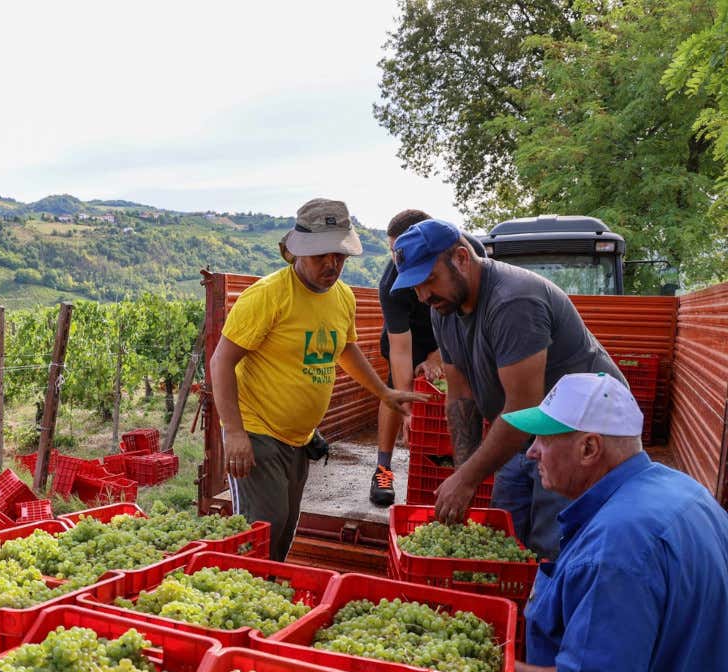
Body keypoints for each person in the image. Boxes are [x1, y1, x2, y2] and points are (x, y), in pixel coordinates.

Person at [501, 373, 728, 672]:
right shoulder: (683, 492)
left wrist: (494, 671)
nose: (532, 452)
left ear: (589, 448)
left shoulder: (618, 546)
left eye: (545, 439)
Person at [390, 219, 624, 559]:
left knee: (555, 549)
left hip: (580, 434)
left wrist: (468, 480)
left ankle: (549, 608)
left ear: (461, 258)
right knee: (505, 537)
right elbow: (460, 396)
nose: (424, 296)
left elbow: (523, 407)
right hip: (527, 434)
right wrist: (463, 473)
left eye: (429, 280)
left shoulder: (513, 301)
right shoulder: (444, 309)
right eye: (415, 288)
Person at [210, 197, 422, 561]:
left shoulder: (342, 297)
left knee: (287, 525)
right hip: (258, 432)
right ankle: (243, 603)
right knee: (261, 532)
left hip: (299, 439)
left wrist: (384, 392)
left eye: (338, 255)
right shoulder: (266, 296)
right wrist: (235, 432)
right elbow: (221, 362)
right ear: (297, 253)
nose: (331, 264)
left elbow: (345, 349)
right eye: (321, 254)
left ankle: (270, 596)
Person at [371, 210, 488, 506]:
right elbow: (400, 348)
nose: (399, 259)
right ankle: (383, 469)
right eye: (393, 251)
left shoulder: (468, 251)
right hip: (409, 337)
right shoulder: (391, 285)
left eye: (405, 249)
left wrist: (438, 356)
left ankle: (458, 460)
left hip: (449, 329)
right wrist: (407, 408)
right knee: (394, 392)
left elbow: (470, 316)